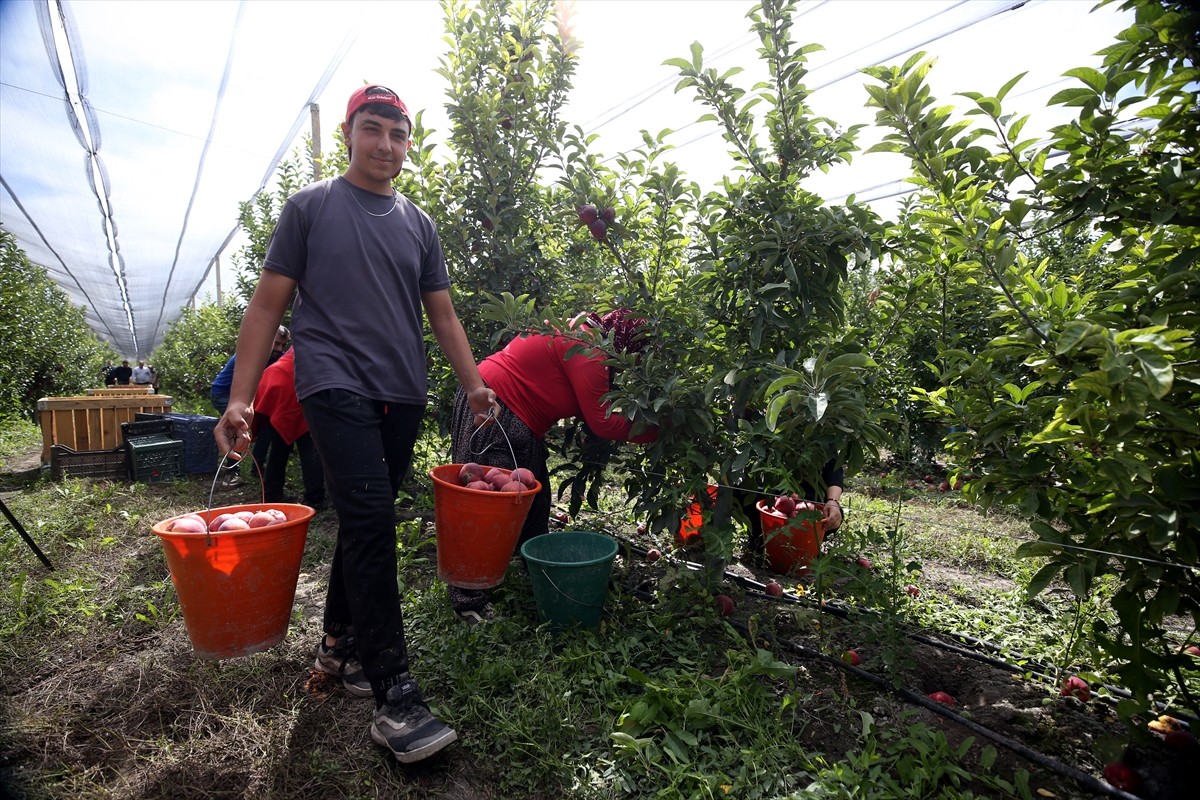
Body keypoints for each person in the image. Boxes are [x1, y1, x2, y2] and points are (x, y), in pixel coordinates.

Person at [213, 83, 496, 764]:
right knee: (370, 520)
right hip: (333, 382)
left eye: (399, 135)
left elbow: (444, 315)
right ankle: (395, 692)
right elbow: (266, 306)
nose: (387, 146)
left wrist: (475, 385)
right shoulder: (310, 208)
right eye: (374, 130)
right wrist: (242, 398)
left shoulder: (419, 224)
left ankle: (339, 643)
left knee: (367, 519)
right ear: (348, 133)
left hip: (403, 391)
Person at [447, 308, 657, 623]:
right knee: (486, 506)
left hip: (516, 413)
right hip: (496, 407)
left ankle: (530, 573)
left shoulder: (582, 334)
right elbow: (602, 422)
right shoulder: (591, 349)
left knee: (532, 501)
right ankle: (468, 601)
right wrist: (664, 429)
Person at [211, 326, 289, 487]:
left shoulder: (277, 357)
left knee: (266, 428)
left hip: (249, 397)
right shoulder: (251, 355)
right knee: (239, 428)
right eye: (275, 343)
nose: (279, 349)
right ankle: (231, 474)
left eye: (283, 345)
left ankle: (257, 466)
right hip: (225, 394)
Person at [252, 346, 326, 510]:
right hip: (289, 387)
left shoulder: (305, 337)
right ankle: (315, 498)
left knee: (279, 447)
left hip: (273, 381)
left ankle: (272, 495)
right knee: (309, 447)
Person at [735, 460, 845, 565]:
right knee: (740, 493)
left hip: (808, 500)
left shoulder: (822, 445)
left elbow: (833, 468)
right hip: (770, 497)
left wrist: (833, 501)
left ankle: (803, 551)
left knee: (833, 513)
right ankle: (760, 543)